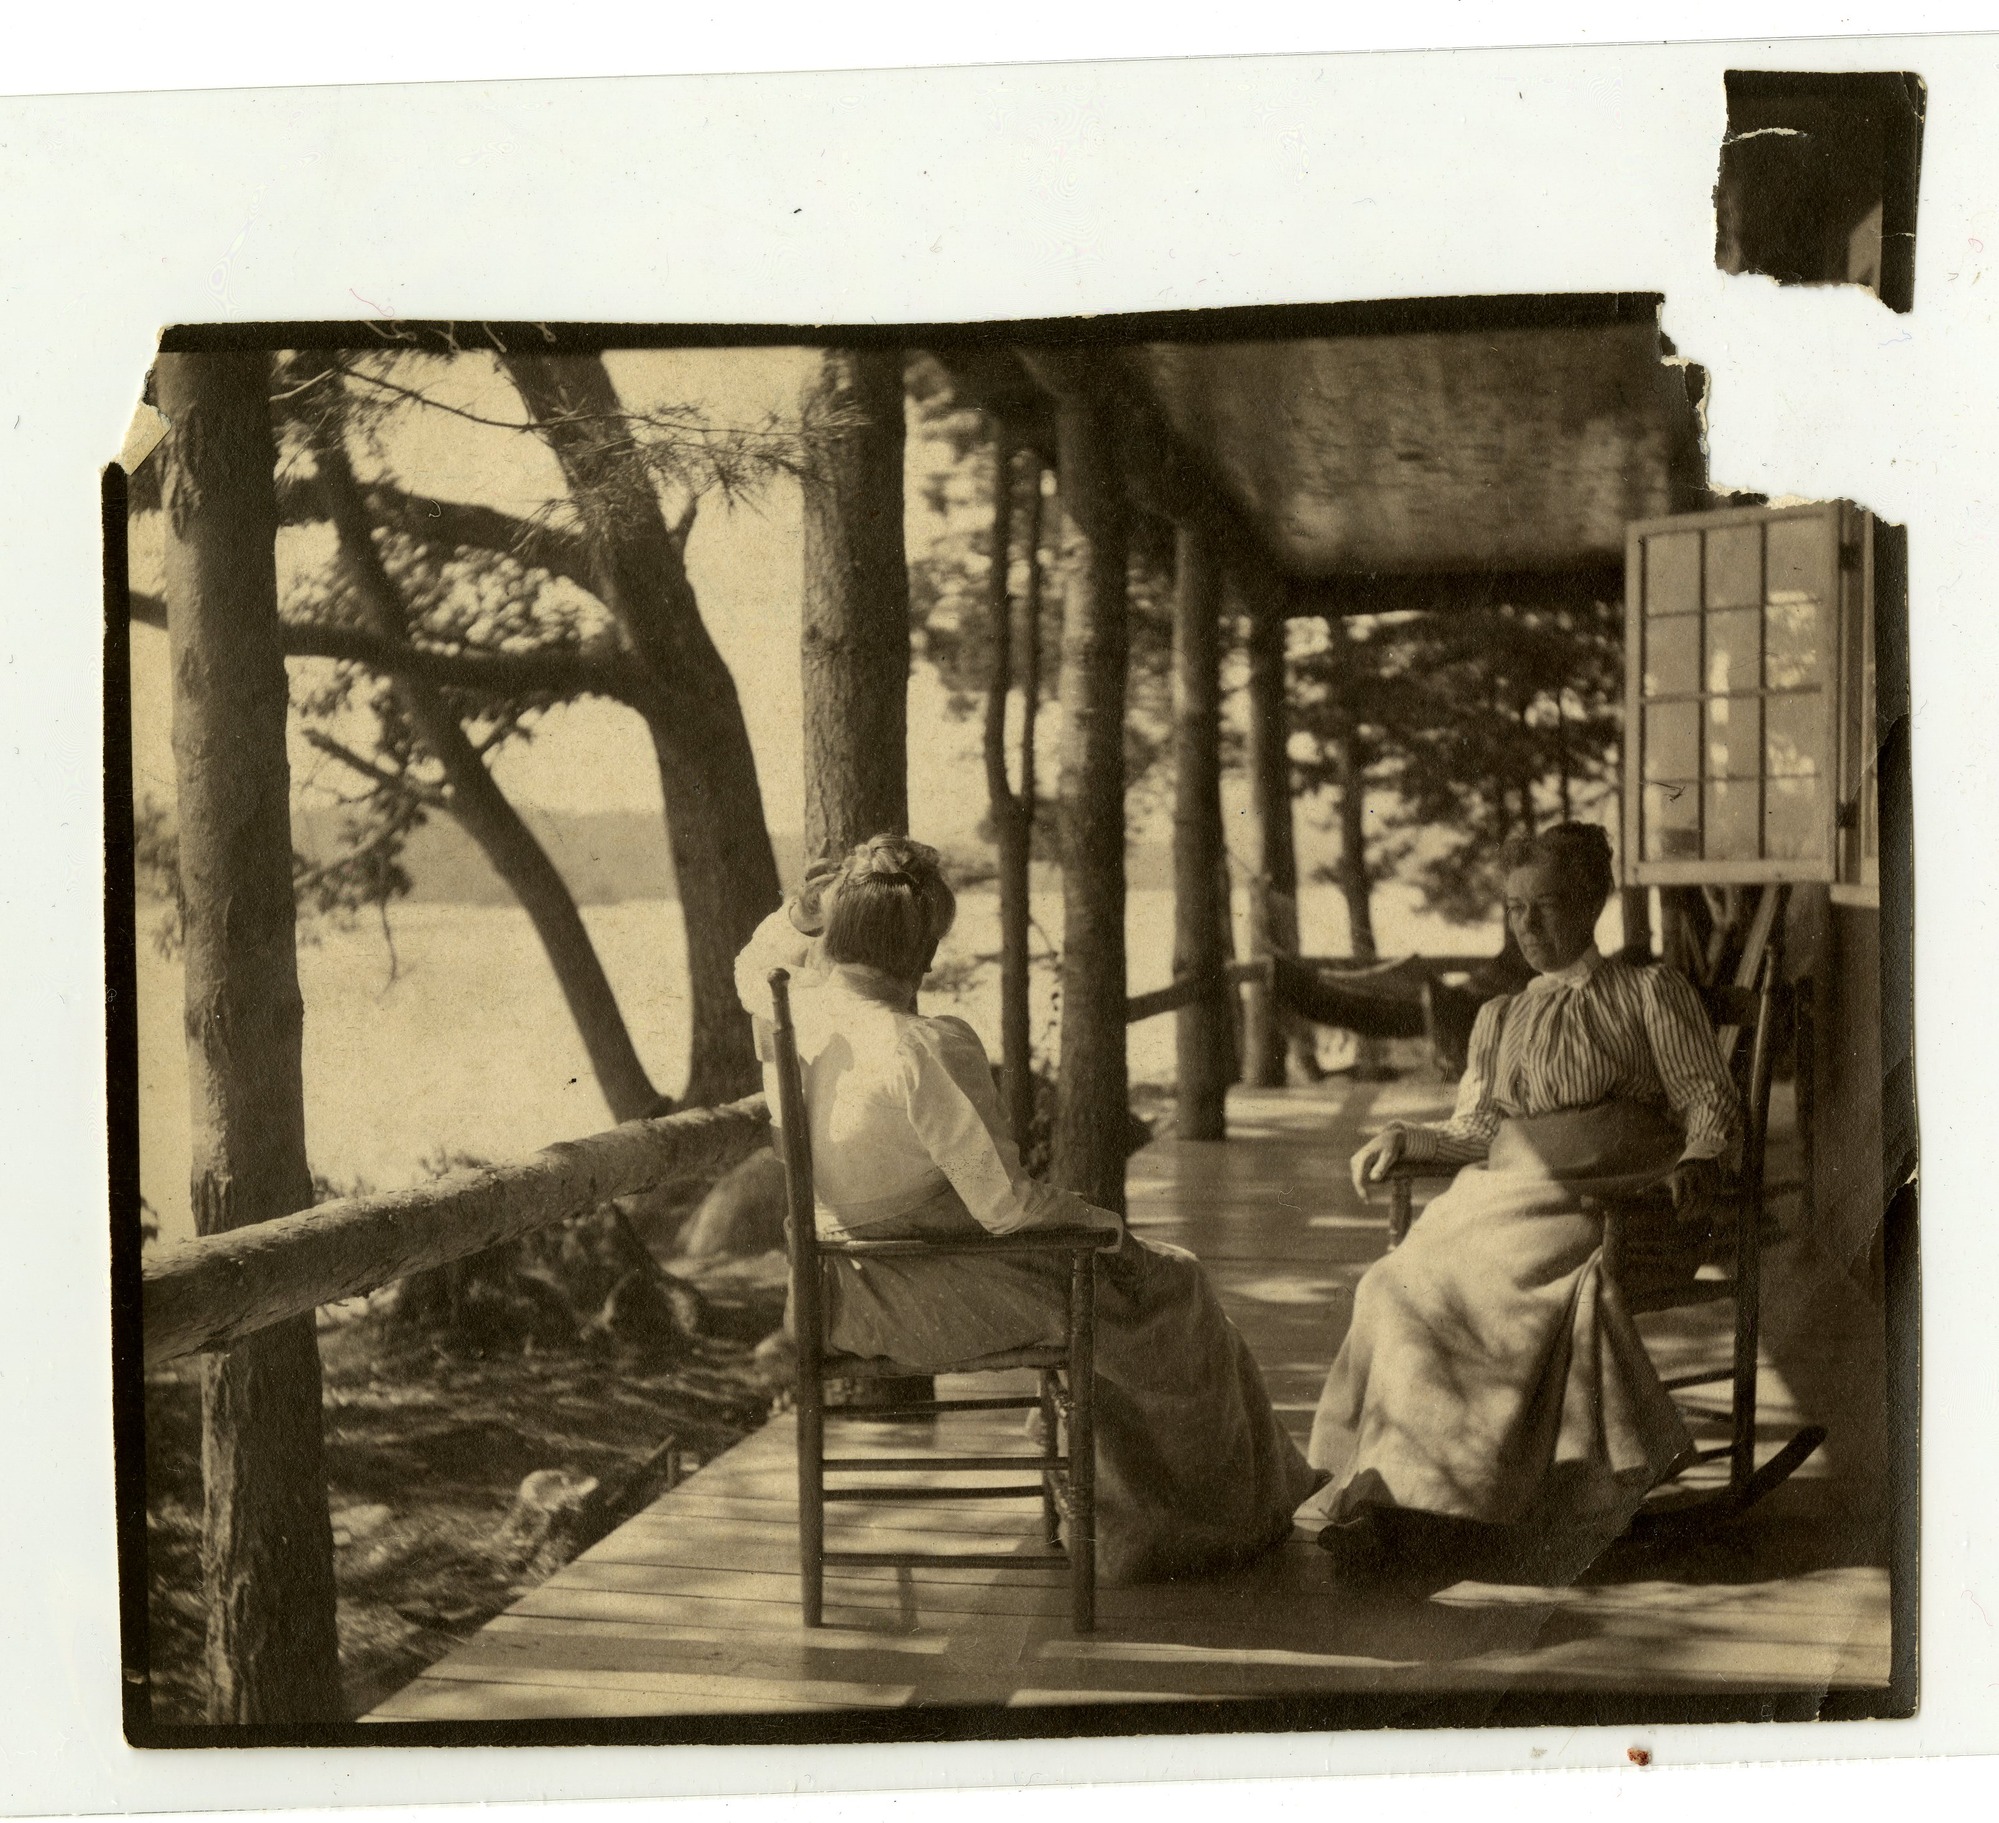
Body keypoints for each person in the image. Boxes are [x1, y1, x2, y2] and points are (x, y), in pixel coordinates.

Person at [735, 833, 1322, 1587]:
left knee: (1130, 1291)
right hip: (919, 1287)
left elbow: (753, 963)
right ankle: (1203, 1519)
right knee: (1168, 1285)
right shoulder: (921, 1046)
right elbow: (1006, 1207)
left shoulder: (795, 1015)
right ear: (923, 954)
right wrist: (1102, 1226)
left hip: (834, 1289)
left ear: (838, 932)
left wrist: (802, 911)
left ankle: (1158, 1510)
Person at [1297, 822, 1741, 1584]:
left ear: (1592, 903)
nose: (1526, 925)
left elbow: (1705, 1093)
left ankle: (1444, 1511)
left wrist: (1700, 1154)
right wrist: (1408, 1138)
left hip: (1608, 1201)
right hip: (1502, 1193)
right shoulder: (1500, 1017)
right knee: (1391, 1286)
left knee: (1483, 1293)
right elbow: (1477, 1130)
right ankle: (1397, 1493)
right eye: (1512, 909)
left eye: (1545, 906)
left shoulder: (1646, 991)